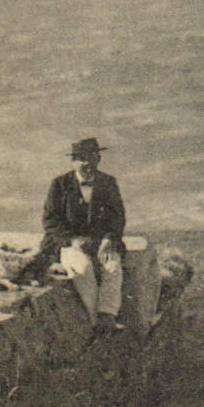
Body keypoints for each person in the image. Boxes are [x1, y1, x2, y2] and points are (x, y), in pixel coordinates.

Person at [38, 138, 127, 330]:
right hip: (68, 244)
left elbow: (117, 218)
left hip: (99, 242)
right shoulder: (59, 185)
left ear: (98, 159)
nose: (86, 163)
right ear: (73, 162)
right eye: (80, 158)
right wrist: (73, 241)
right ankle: (96, 322)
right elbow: (50, 222)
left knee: (113, 265)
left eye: (90, 157)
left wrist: (108, 239)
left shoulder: (108, 183)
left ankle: (108, 315)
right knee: (84, 269)